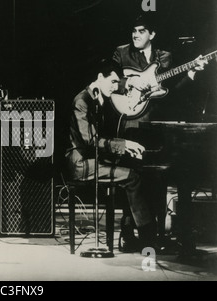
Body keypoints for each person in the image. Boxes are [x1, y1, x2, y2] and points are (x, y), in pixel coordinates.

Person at [110, 13, 208, 255]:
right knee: (129, 176)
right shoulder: (121, 53)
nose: (135, 35)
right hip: (129, 123)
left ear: (152, 34)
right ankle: (126, 232)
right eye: (134, 30)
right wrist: (130, 84)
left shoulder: (164, 57)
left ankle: (154, 235)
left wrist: (191, 73)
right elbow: (110, 82)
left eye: (142, 31)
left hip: (153, 125)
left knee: (155, 180)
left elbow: (170, 91)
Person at [65, 58, 158, 252]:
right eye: (113, 82)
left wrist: (124, 147)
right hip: (82, 164)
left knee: (132, 172)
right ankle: (147, 238)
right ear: (100, 77)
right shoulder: (81, 101)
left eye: (118, 82)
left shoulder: (98, 99)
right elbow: (89, 140)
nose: (116, 87)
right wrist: (124, 145)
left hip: (93, 159)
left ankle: (129, 234)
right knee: (131, 177)